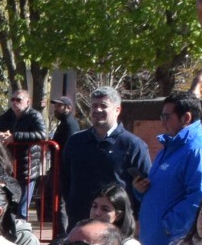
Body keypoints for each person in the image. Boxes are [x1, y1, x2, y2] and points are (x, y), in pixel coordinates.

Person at [138, 95, 202, 245]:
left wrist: (169, 227)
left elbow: (201, 197)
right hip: (153, 242)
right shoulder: (171, 147)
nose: (162, 122)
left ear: (186, 118)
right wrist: (141, 189)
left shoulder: (196, 150)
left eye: (167, 117)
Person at [60, 88, 153, 228]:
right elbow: (65, 180)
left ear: (117, 110)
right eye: (94, 106)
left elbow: (145, 186)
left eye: (103, 106)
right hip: (79, 222)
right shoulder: (75, 142)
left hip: (116, 228)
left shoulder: (133, 146)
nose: (97, 110)